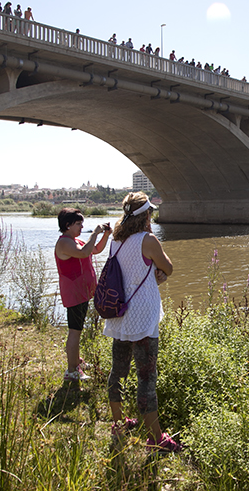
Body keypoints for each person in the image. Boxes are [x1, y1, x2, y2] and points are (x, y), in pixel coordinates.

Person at [104, 192, 181, 453]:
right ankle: (155, 438)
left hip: (120, 314)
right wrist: (158, 273)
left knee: (119, 370)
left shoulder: (116, 240)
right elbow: (167, 268)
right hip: (143, 316)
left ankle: (118, 422)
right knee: (146, 376)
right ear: (146, 215)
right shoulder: (147, 240)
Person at [54, 208, 110, 381]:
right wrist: (95, 232)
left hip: (82, 292)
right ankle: (72, 371)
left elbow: (95, 249)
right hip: (74, 293)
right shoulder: (65, 243)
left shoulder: (75, 240)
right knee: (75, 331)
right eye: (78, 224)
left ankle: (76, 361)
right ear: (67, 225)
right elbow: (84, 253)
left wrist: (105, 235)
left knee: (77, 328)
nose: (81, 227)